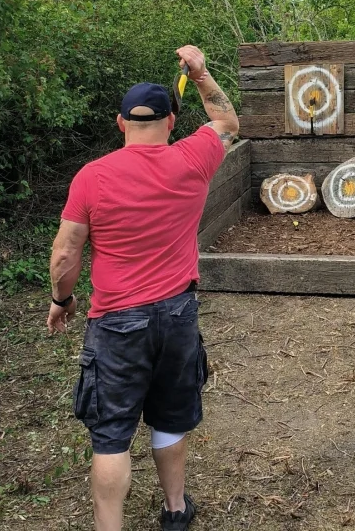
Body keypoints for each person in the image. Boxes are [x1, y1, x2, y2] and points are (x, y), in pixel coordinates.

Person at [46, 45, 239, 531]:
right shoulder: (193, 158)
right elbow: (226, 120)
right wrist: (200, 73)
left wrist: (61, 300)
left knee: (111, 434)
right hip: (177, 315)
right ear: (172, 123)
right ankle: (175, 510)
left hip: (115, 322)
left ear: (120, 123)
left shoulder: (93, 177)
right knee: (171, 417)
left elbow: (67, 254)